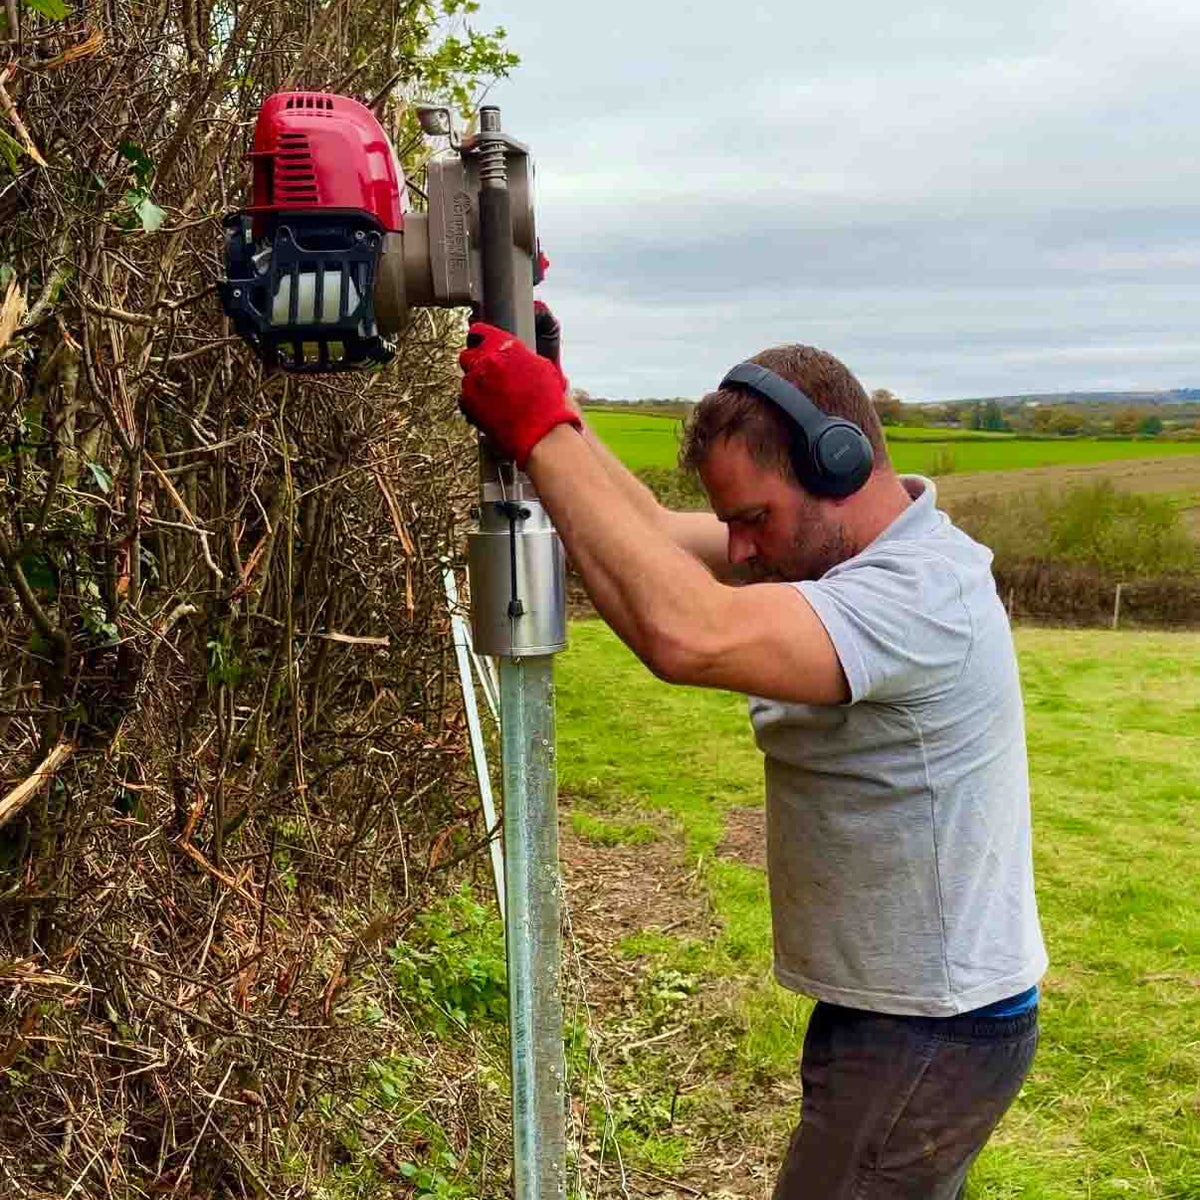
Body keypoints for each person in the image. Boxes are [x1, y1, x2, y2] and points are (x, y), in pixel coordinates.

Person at [458, 315, 1047, 1200]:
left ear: (838, 465)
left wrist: (538, 431)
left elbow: (686, 634)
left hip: (931, 1031)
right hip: (908, 1018)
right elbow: (650, 532)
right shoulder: (852, 560)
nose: (737, 549)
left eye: (753, 520)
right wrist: (561, 410)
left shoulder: (922, 597)